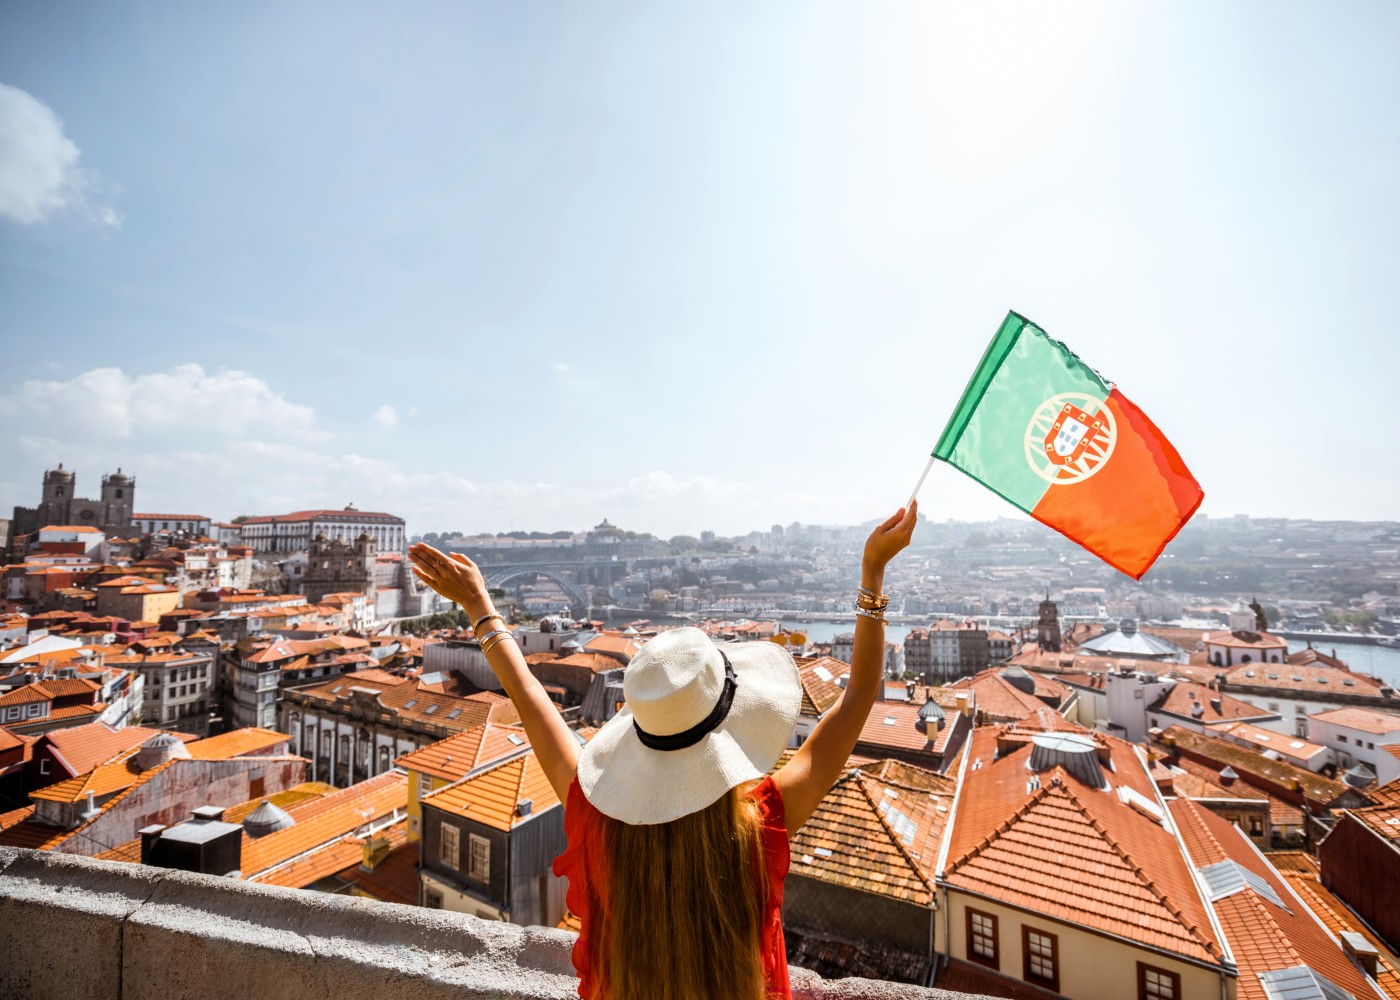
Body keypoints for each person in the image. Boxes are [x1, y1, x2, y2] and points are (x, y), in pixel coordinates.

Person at [407, 501, 917, 1000]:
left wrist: (481, 609)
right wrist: (872, 572)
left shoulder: (597, 819)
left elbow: (528, 698)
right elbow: (857, 699)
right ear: (728, 727)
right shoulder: (759, 831)